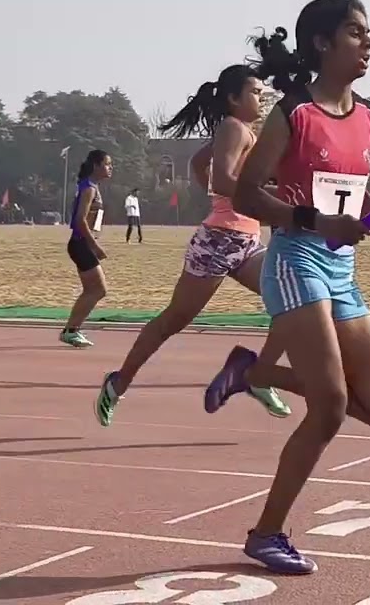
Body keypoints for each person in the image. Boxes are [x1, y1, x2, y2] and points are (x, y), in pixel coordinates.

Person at [201, 0, 370, 574]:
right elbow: (246, 193)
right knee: (330, 406)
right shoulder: (293, 113)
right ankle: (267, 533)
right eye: (356, 33)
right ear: (322, 45)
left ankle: (252, 372)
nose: (369, 43)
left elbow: (355, 192)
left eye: (369, 33)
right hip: (295, 262)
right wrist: (313, 221)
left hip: (342, 271)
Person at [92, 65, 291, 425]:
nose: (261, 98)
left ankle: (259, 376)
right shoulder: (233, 127)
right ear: (233, 98)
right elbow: (223, 178)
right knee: (173, 320)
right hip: (217, 242)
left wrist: (226, 198)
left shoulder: (240, 131)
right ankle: (118, 383)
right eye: (255, 93)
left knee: (292, 299)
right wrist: (279, 196)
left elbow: (203, 164)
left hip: (246, 241)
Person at [60, 149, 112, 348]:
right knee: (97, 290)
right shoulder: (89, 188)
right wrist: (94, 245)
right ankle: (71, 330)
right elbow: (80, 219)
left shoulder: (91, 186)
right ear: (97, 165)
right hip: (81, 244)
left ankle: (72, 329)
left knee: (94, 289)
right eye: (107, 164)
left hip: (81, 243)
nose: (110, 168)